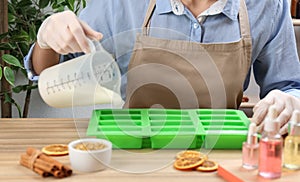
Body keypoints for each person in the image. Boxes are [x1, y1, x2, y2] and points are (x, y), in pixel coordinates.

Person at [24, 0, 300, 135]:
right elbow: (50, 74)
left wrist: (288, 99)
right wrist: (47, 38)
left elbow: (289, 85)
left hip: (221, 154)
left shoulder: (266, 6)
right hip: (131, 148)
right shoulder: (120, 4)